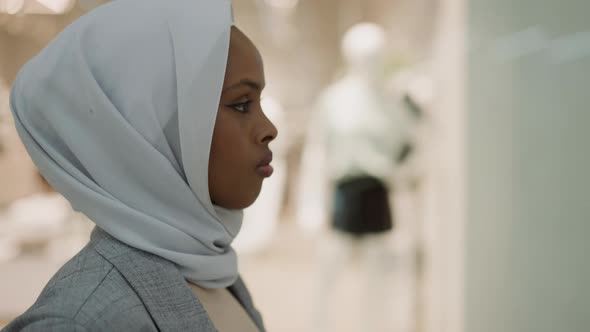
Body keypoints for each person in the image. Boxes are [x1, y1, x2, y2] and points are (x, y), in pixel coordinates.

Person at [2, 0, 277, 331]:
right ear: (147, 132)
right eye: (241, 104)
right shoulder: (76, 322)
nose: (269, 129)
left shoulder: (210, 269)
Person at [299, 22, 413, 331]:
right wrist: (311, 203)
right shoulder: (334, 99)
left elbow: (409, 146)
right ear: (350, 56)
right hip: (344, 192)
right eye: (364, 54)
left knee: (379, 276)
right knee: (328, 271)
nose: (371, 61)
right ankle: (319, 325)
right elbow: (317, 151)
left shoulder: (392, 102)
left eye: (376, 54)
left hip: (378, 192)